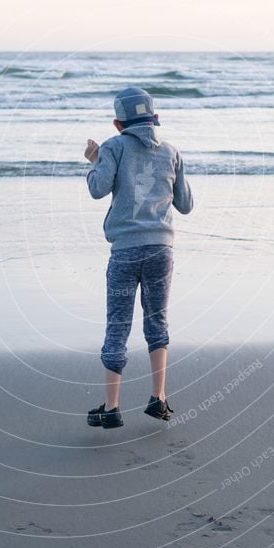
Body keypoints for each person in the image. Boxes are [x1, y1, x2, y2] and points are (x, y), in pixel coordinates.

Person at [83, 86, 193, 429]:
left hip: (126, 251)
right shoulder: (172, 152)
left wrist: (95, 161)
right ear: (154, 119)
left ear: (119, 124)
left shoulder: (114, 147)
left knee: (118, 324)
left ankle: (112, 406)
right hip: (162, 250)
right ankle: (158, 399)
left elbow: (97, 189)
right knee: (156, 321)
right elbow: (185, 204)